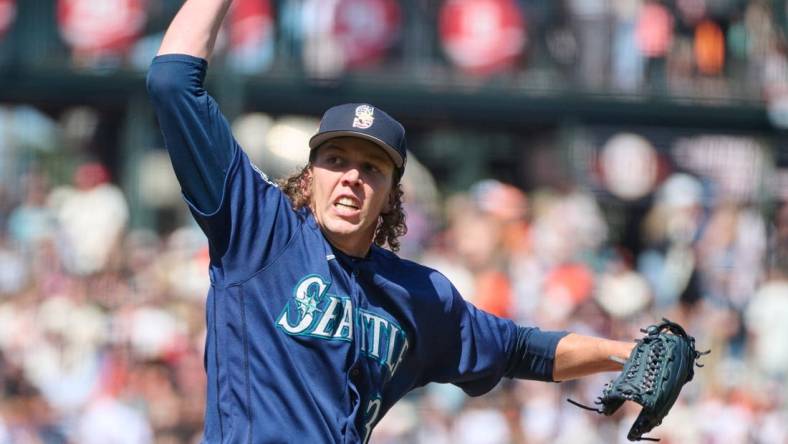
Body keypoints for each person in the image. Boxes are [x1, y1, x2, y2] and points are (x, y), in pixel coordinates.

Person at [147, 1, 635, 442]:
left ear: (389, 197)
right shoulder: (258, 231)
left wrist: (626, 355)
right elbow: (171, 81)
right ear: (309, 175)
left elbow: (523, 350)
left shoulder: (417, 296)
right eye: (336, 160)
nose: (351, 179)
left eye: (371, 169)